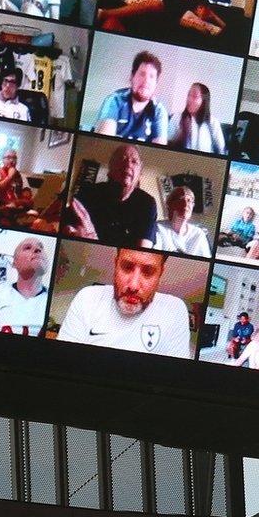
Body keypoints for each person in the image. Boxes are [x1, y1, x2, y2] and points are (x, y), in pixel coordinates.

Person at [56, 247, 192, 357]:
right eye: (127, 267)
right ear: (116, 265)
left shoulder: (174, 310)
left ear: (160, 274)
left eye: (148, 271)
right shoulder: (87, 298)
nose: (133, 286)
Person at [65, 142, 158, 246]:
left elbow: (141, 252)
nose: (128, 164)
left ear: (140, 173)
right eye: (121, 159)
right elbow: (67, 228)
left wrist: (92, 238)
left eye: (134, 161)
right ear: (110, 168)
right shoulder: (88, 192)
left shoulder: (147, 203)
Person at [0, 238, 50, 335]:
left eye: (41, 247)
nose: (38, 249)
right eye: (27, 248)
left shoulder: (54, 300)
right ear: (14, 263)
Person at [93, 50, 167, 143]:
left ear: (156, 84)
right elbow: (103, 142)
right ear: (132, 77)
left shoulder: (159, 111)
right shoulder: (114, 100)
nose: (146, 81)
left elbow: (158, 152)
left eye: (151, 76)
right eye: (142, 74)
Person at [148, 184, 212, 257]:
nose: (185, 204)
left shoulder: (198, 234)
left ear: (193, 206)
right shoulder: (157, 228)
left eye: (189, 200)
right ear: (169, 204)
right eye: (180, 199)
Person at [171, 81, 228, 155]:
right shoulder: (177, 117)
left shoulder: (213, 122)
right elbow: (166, 144)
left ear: (204, 101)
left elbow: (221, 151)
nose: (189, 99)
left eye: (194, 96)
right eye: (189, 95)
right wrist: (183, 134)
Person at [0, 149, 36, 214]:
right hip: (1, 210)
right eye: (8, 158)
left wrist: (16, 203)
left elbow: (29, 200)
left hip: (18, 210)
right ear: (3, 160)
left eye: (14, 158)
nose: (11, 160)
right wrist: (10, 177)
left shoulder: (21, 176)